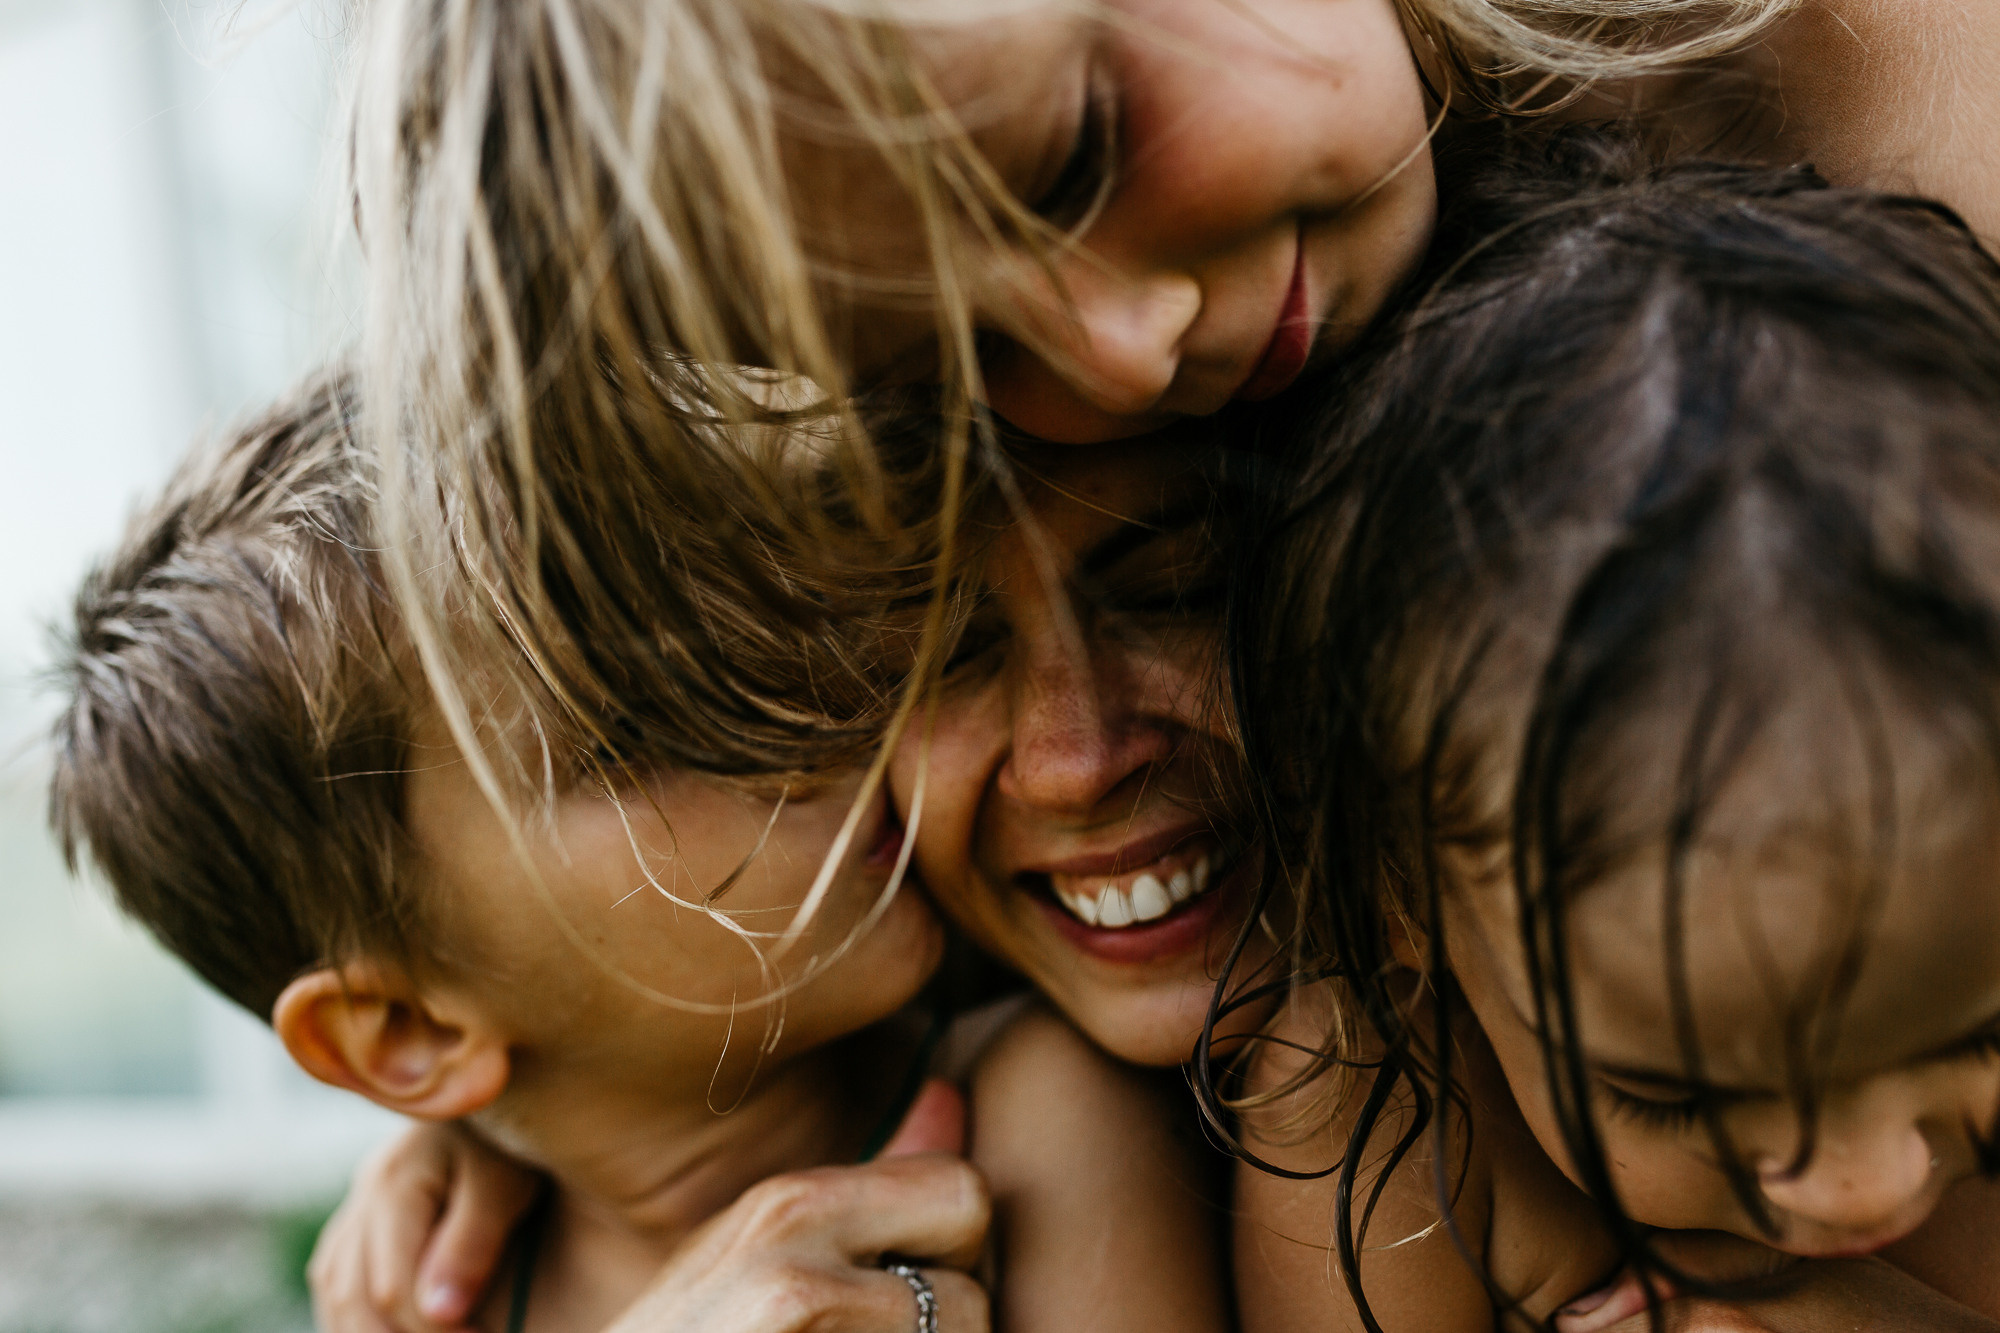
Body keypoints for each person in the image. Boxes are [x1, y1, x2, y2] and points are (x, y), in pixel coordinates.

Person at [46, 369, 1231, 1333]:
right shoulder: (426, 1295)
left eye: (766, 636)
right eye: (636, 734)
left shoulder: (1038, 1117)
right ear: (405, 1036)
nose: (812, 718)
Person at [1230, 125, 2000, 1331]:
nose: (1872, 1177)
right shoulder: (1395, 1116)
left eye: (1986, 1027)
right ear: (1402, 894)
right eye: (1676, 1097)